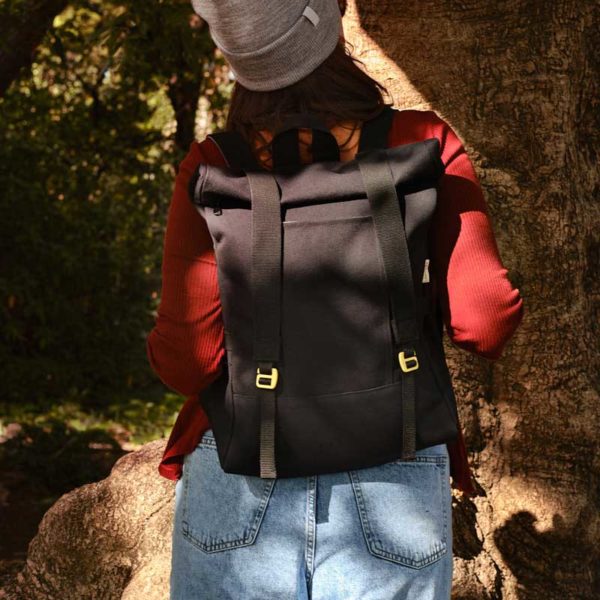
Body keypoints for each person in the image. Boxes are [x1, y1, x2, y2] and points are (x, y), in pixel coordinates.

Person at [146, 1, 524, 598]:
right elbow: (485, 322)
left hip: (245, 467)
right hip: (393, 464)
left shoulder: (213, 166)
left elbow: (188, 360)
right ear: (328, 21)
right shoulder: (423, 140)